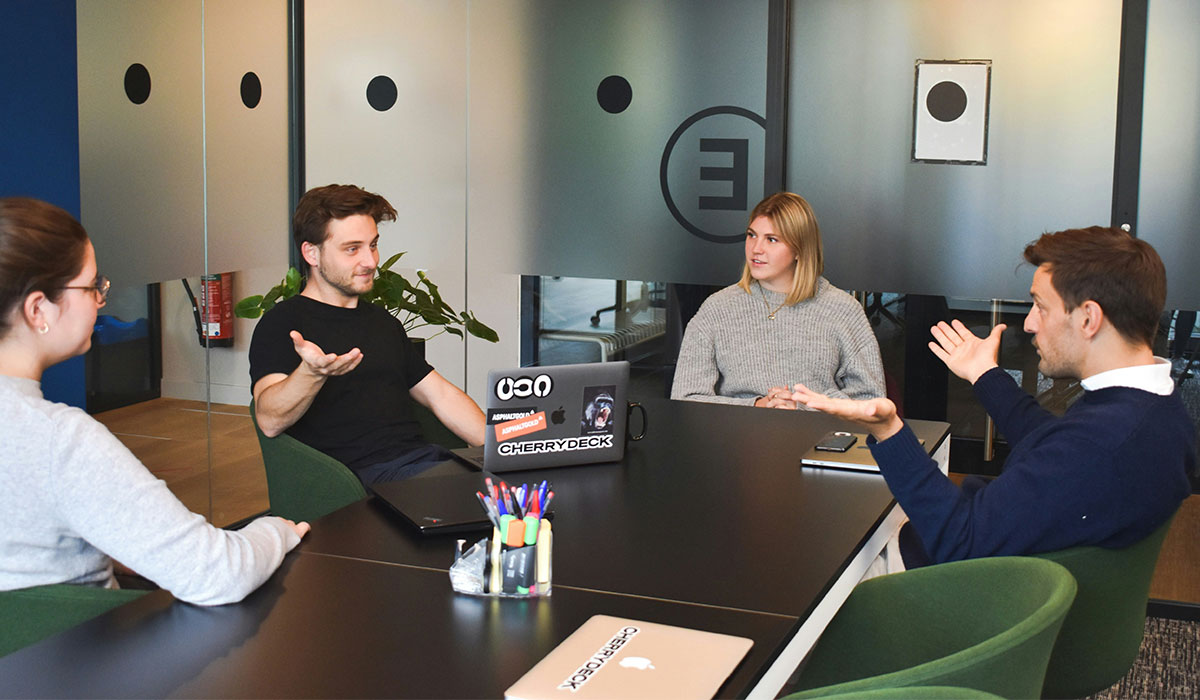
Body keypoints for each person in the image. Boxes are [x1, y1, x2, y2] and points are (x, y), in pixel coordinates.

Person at [791, 226, 1194, 569]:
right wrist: (985, 374)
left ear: (1089, 318)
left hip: (934, 584)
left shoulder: (1101, 446)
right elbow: (1050, 443)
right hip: (990, 562)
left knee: (804, 540)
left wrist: (889, 431)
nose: (1029, 324)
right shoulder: (1154, 407)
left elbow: (959, 541)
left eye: (1040, 307)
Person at [0, 197, 308, 604]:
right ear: (38, 309)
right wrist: (276, 530)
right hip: (86, 642)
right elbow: (218, 574)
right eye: (92, 286)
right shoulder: (60, 440)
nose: (101, 300)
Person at [249, 184, 485, 485]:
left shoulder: (383, 323)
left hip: (422, 467)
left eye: (372, 245)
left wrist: (505, 450)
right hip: (358, 485)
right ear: (312, 253)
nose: (371, 261)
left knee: (523, 490)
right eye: (352, 249)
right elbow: (269, 421)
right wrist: (312, 373)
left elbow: (440, 395)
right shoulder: (283, 323)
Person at [671, 192, 885, 408]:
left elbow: (871, 402)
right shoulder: (717, 308)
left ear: (799, 249)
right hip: (738, 429)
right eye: (752, 235)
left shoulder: (843, 310)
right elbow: (685, 398)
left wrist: (803, 407)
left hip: (816, 429)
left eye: (771, 239)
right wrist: (757, 406)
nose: (756, 249)